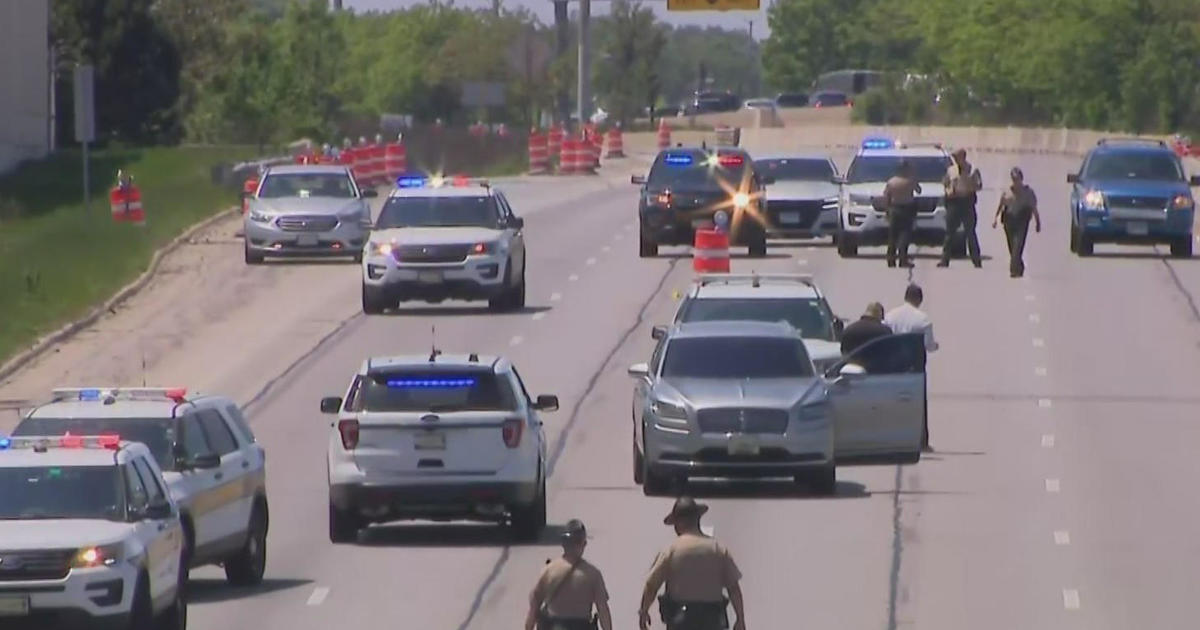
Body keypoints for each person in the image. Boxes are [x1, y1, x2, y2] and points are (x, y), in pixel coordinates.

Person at [639, 497, 745, 630]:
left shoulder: (671, 550)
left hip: (681, 621)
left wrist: (643, 612)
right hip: (712, 620)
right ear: (697, 519)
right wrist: (740, 618)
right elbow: (733, 588)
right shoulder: (717, 549)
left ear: (679, 523)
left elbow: (651, 586)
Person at [525, 519, 613, 630]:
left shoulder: (549, 570)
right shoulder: (593, 574)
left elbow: (534, 606)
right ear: (583, 544)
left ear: (563, 544)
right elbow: (603, 609)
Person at [885, 284, 937, 452]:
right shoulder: (923, 319)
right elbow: (929, 345)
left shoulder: (890, 316)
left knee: (893, 401)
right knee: (919, 404)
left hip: (893, 364)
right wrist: (935, 346)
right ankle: (921, 441)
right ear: (919, 299)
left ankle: (892, 437)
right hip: (915, 366)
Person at [992, 167, 1041, 278]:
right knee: (1012, 247)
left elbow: (1034, 208)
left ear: (1021, 179)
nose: (1015, 181)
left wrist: (1038, 222)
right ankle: (1019, 265)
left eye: (1017, 179)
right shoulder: (1007, 192)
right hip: (1009, 221)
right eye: (1014, 179)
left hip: (1021, 221)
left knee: (1018, 246)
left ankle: (1014, 270)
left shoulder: (1028, 193)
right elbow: (1000, 206)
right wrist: (995, 219)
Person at [939, 148, 984, 268]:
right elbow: (945, 182)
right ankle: (945, 260)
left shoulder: (973, 170)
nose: (955, 159)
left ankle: (976, 260)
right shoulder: (951, 170)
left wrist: (970, 185)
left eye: (957, 157)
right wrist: (948, 191)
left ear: (963, 156)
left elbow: (979, 186)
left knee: (970, 233)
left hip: (967, 202)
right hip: (954, 203)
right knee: (949, 233)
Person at [883, 160, 922, 268]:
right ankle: (902, 259)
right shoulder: (910, 181)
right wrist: (914, 177)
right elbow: (919, 190)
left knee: (892, 236)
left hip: (894, 209)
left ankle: (890, 260)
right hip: (907, 209)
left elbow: (886, 197)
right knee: (904, 235)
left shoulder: (891, 182)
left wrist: (886, 211)